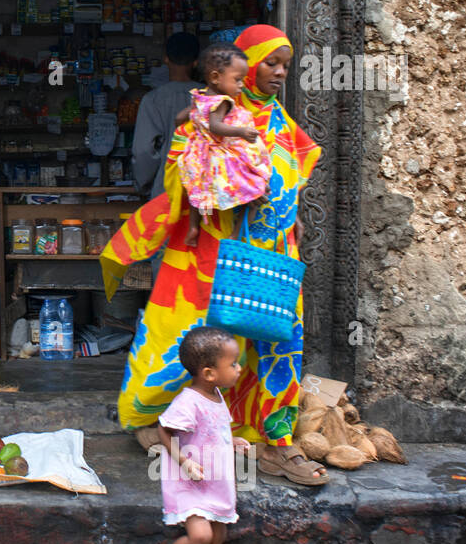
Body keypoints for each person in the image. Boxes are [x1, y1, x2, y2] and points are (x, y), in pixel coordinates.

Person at [100, 24, 326, 486]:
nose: (280, 72)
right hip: (217, 256)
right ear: (238, 66)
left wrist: (292, 212)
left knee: (281, 346)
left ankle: (275, 443)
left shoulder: (276, 116)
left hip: (275, 256)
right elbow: (181, 169)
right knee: (199, 342)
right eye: (270, 63)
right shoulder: (213, 113)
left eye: (286, 64)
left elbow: (288, 169)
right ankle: (159, 420)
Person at [143, 325, 248, 544]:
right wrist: (184, 461)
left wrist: (233, 440)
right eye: (234, 363)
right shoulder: (189, 401)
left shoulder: (216, 395)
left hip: (215, 482)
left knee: (218, 536)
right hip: (191, 483)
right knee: (201, 536)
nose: (239, 368)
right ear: (209, 373)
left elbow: (212, 431)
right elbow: (163, 431)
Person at [175, 43, 271, 246]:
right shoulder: (223, 101)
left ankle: (194, 227)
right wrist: (241, 132)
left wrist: (193, 127)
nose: (242, 85)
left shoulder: (199, 98)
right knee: (257, 188)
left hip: (198, 154)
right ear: (216, 77)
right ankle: (236, 234)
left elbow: (179, 118)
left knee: (196, 192)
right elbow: (215, 126)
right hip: (218, 156)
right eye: (237, 80)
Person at [132, 31, 201, 201]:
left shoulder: (153, 100)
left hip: (165, 192)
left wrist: (143, 185)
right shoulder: (210, 97)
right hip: (203, 192)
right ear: (195, 62)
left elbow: (144, 151)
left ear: (166, 59)